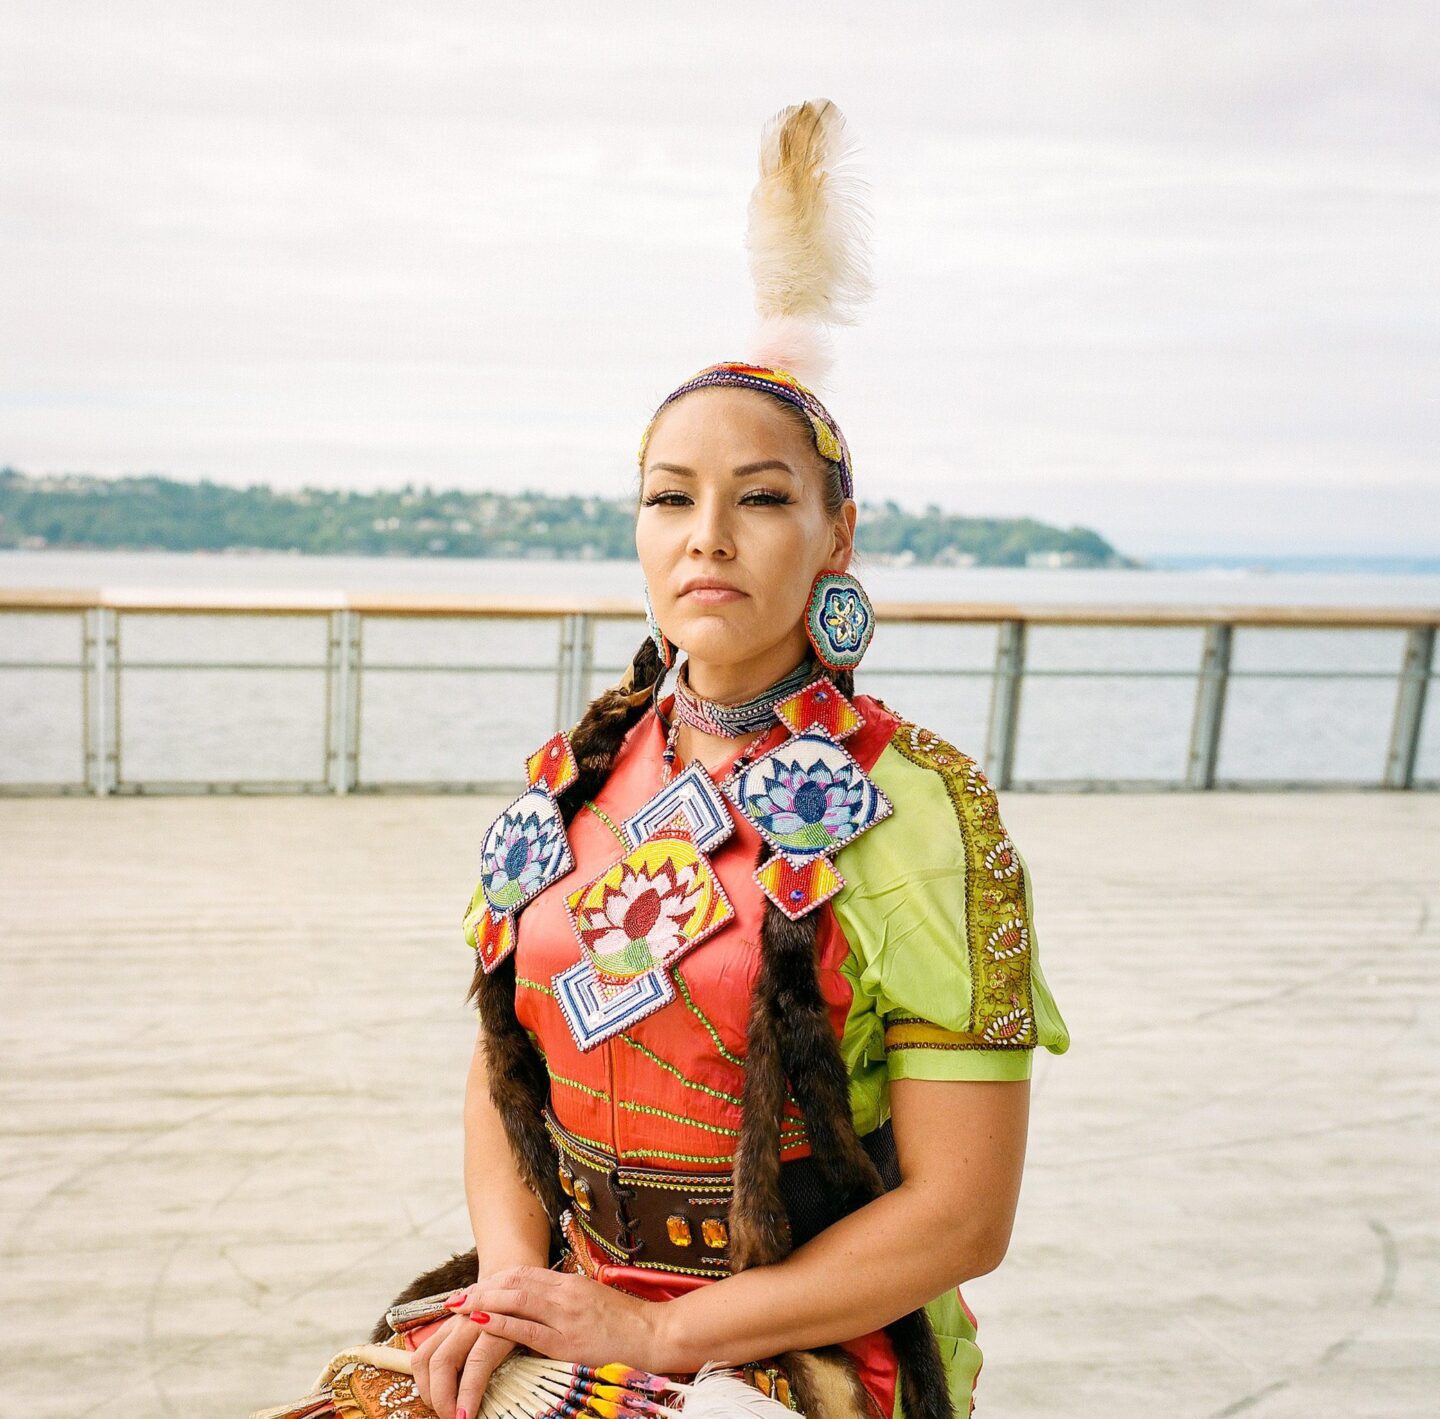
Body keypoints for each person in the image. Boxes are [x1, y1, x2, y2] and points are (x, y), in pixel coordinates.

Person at [251, 99, 1067, 1419]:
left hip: (802, 1346)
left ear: (837, 533)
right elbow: (503, 1072)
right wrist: (514, 1293)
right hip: (572, 1304)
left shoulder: (921, 813)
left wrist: (659, 1329)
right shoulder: (577, 780)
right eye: (671, 496)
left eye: (762, 498)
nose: (708, 536)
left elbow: (963, 1214)